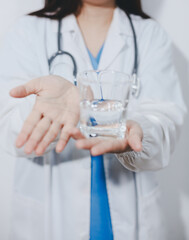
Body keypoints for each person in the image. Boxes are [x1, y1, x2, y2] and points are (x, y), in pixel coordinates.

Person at [0, 0, 186, 239]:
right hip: (50, 221)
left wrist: (138, 131)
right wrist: (44, 109)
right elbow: (9, 127)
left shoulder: (149, 34)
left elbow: (166, 118)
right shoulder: (29, 30)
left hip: (132, 220)